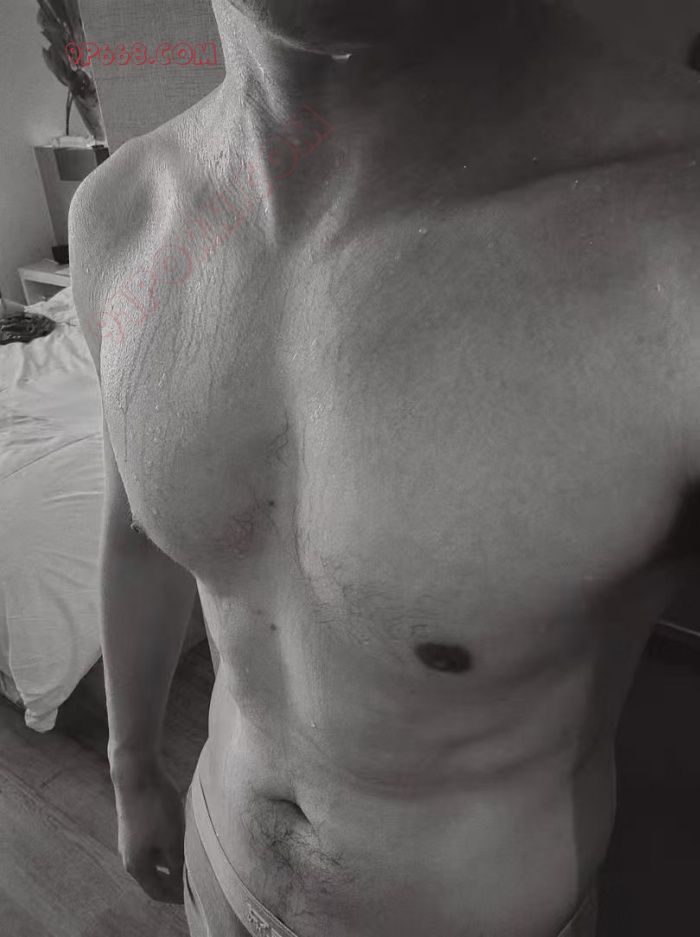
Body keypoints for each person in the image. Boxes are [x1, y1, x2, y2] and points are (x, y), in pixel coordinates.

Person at [68, 1, 700, 935]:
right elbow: (138, 540)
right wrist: (131, 767)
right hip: (214, 867)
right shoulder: (121, 214)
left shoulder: (674, 243)